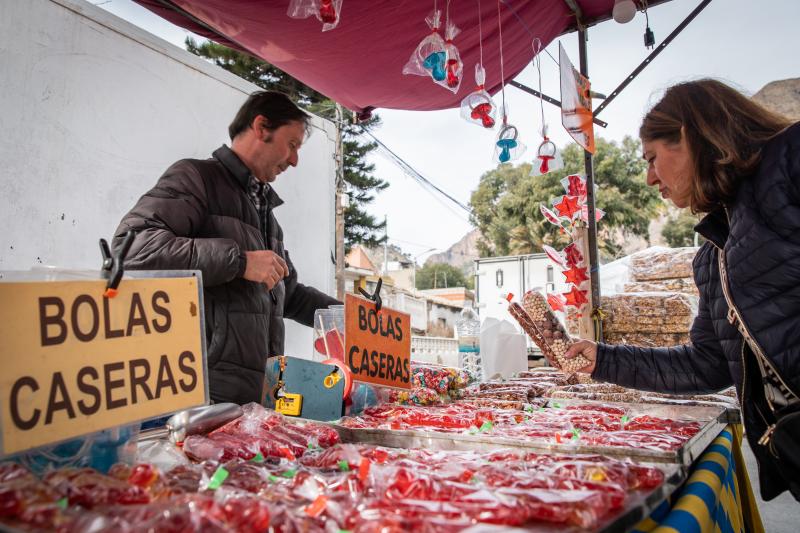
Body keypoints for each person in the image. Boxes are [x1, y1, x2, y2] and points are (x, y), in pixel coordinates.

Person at [561, 79, 800, 501]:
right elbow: (706, 365)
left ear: (688, 135)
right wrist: (604, 359)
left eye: (652, 159)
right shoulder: (712, 256)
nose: (651, 178)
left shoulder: (789, 160)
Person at [113, 91, 340, 406]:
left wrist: (349, 318)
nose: (294, 160)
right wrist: (240, 262)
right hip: (202, 397)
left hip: (257, 400)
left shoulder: (267, 215)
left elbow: (289, 294)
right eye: (292, 145)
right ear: (261, 127)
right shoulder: (196, 177)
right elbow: (133, 250)